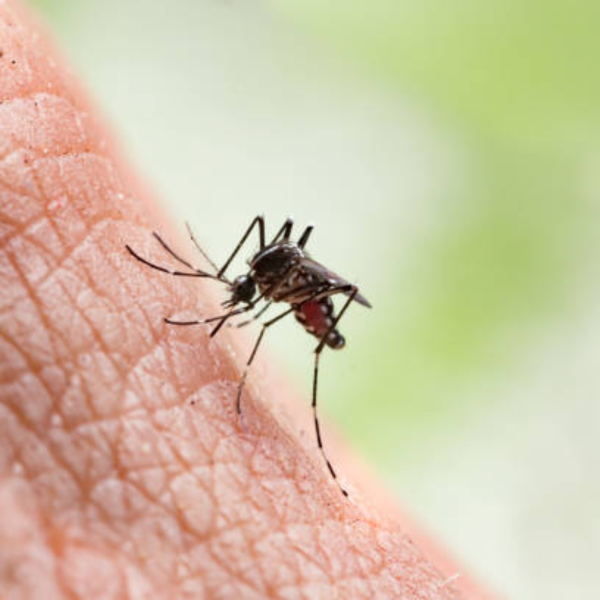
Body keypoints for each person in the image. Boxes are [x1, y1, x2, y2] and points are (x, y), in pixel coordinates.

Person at [0, 1, 497, 597]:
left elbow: (278, 290)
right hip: (290, 284)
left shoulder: (280, 289)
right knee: (275, 242)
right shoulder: (259, 275)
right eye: (241, 292)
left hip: (313, 295)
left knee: (281, 265)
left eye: (241, 292)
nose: (242, 299)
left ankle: (312, 426)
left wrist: (280, 312)